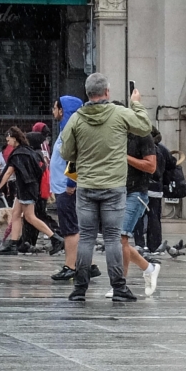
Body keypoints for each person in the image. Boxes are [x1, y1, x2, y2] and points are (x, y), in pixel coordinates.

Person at [59, 72, 153, 302]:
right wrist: (136, 104)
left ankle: (79, 289)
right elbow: (144, 127)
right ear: (107, 92)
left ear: (87, 93)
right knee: (112, 238)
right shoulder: (120, 114)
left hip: (87, 186)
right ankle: (119, 288)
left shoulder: (77, 119)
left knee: (86, 237)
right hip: (114, 186)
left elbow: (66, 152)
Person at [0, 127, 63, 256]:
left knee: (30, 217)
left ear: (15, 138)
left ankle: (56, 239)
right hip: (28, 188)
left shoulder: (19, 154)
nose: (7, 142)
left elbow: (8, 172)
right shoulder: (31, 152)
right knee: (16, 214)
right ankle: (14, 244)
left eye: (8, 140)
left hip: (26, 189)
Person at [49, 97, 92, 282]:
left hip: (65, 188)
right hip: (63, 186)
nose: (53, 111)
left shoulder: (70, 131)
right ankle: (87, 264)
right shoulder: (67, 130)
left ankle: (70, 266)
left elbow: (74, 158)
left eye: (55, 107)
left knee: (70, 228)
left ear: (62, 110)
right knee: (73, 226)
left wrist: (71, 183)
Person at [118, 126, 160, 298]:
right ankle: (149, 268)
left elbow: (151, 166)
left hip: (136, 193)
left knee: (121, 238)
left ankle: (119, 284)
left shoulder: (143, 136)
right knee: (118, 241)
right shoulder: (114, 134)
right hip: (116, 191)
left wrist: (124, 157)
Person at [141, 129, 172, 252]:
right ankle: (154, 246)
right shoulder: (162, 149)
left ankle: (140, 245)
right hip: (156, 188)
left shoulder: (141, 146)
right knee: (154, 218)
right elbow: (172, 164)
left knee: (138, 217)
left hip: (141, 187)